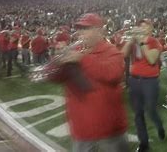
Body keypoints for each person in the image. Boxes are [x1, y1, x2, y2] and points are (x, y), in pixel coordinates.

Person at [48, 13, 129, 152]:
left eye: (86, 28)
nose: (81, 33)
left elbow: (113, 75)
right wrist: (57, 63)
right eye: (79, 28)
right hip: (81, 128)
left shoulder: (112, 51)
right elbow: (56, 78)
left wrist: (82, 59)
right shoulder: (74, 52)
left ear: (99, 30)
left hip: (109, 130)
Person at [122, 19, 165, 152]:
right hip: (134, 80)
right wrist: (130, 41)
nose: (141, 28)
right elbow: (122, 54)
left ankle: (159, 125)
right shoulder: (134, 42)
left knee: (151, 109)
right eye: (139, 26)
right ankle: (144, 143)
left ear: (150, 29)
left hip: (150, 81)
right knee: (138, 113)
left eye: (144, 26)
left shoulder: (155, 42)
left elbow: (152, 59)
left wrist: (141, 42)